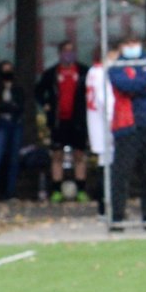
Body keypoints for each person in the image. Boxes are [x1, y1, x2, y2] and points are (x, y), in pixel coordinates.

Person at [106, 38, 146, 224]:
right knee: (122, 173)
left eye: (134, 43)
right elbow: (125, 85)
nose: (132, 48)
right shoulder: (116, 67)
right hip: (128, 127)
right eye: (128, 44)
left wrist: (140, 84)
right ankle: (117, 215)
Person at [35, 42, 90, 201]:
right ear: (60, 53)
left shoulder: (83, 72)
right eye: (65, 51)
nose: (68, 54)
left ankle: (81, 189)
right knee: (57, 155)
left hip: (78, 121)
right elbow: (38, 90)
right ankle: (57, 190)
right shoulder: (52, 73)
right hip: (59, 121)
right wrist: (45, 104)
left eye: (71, 51)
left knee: (79, 155)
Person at [0, 61, 26, 201]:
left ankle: (11, 192)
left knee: (14, 158)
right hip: (2, 124)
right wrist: (7, 106)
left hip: (15, 124)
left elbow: (19, 106)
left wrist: (4, 105)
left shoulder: (17, 87)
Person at [85, 45, 112, 216]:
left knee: (103, 164)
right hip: (105, 128)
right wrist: (113, 121)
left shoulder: (92, 72)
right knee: (107, 167)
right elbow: (106, 101)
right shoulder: (101, 73)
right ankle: (104, 206)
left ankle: (103, 206)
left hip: (97, 126)